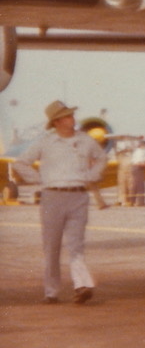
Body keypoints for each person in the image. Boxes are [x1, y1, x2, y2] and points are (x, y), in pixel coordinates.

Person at [14, 100, 107, 304]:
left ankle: (82, 285)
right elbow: (20, 163)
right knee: (52, 247)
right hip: (52, 198)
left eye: (72, 115)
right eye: (67, 116)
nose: (72, 119)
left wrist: (92, 175)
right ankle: (51, 291)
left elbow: (101, 158)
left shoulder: (85, 140)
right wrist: (39, 180)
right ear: (56, 122)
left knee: (76, 245)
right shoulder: (45, 142)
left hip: (78, 196)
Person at [114, 136, 135, 206]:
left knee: (129, 185)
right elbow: (117, 152)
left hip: (128, 168)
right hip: (121, 168)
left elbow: (131, 150)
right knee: (121, 184)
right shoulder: (119, 151)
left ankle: (129, 201)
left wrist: (127, 149)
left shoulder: (130, 152)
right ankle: (121, 200)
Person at [130, 138, 145, 207]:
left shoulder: (140, 152)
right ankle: (140, 203)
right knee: (140, 186)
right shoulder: (139, 152)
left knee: (135, 186)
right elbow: (138, 163)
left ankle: (132, 201)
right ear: (141, 144)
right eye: (144, 144)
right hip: (138, 169)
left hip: (138, 169)